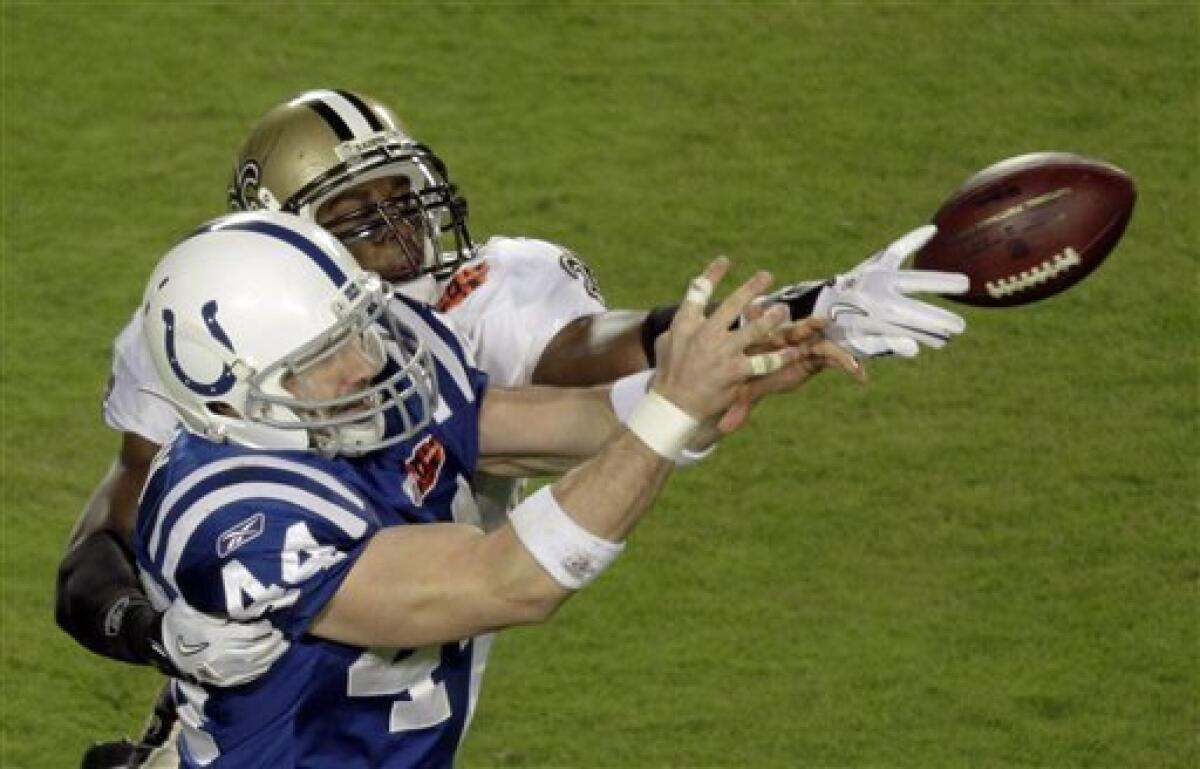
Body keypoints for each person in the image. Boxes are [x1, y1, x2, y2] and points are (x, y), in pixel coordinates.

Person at [57, 89, 967, 765]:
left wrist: (756, 353)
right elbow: (512, 578)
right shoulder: (232, 495)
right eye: (355, 218)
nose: (367, 360)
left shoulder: (390, 339)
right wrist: (150, 627)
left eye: (398, 196)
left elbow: (580, 398)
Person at [132, 209, 853, 766]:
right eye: (325, 354)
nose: (365, 364)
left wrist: (710, 381)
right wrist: (669, 412)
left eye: (357, 328)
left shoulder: (344, 407)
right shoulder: (227, 514)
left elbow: (570, 422)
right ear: (225, 392)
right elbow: (509, 580)